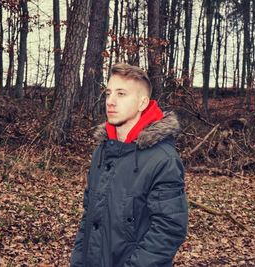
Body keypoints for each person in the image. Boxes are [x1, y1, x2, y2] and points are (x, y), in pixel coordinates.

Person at [70, 63, 188, 267]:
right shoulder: (102, 151)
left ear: (142, 103)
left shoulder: (163, 159)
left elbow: (169, 229)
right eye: (108, 93)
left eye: (121, 94)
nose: (111, 102)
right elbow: (89, 217)